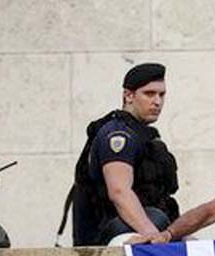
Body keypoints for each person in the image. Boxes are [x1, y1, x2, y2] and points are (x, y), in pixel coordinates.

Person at [70, 62, 179, 246]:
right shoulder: (119, 135)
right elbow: (119, 191)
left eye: (162, 94)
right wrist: (155, 236)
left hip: (138, 231)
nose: (157, 102)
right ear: (128, 95)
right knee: (156, 218)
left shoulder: (147, 138)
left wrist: (176, 235)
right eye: (149, 94)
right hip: (114, 237)